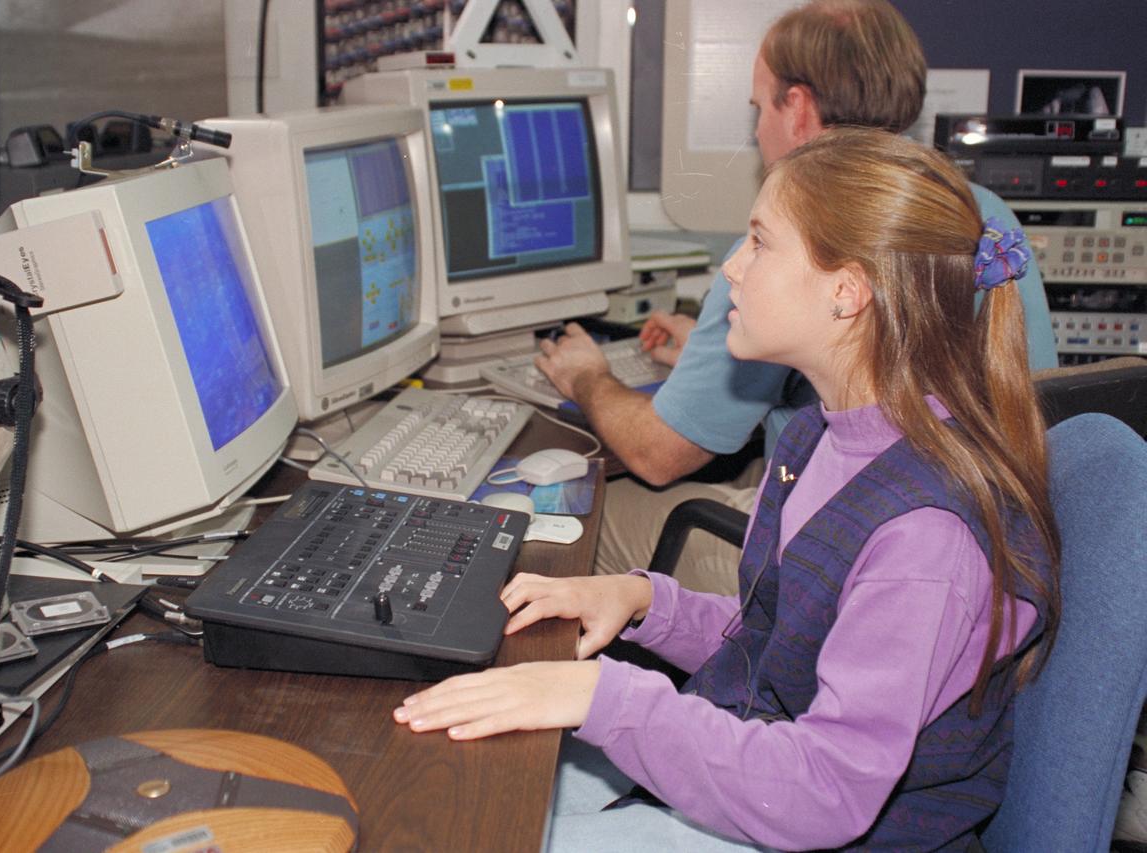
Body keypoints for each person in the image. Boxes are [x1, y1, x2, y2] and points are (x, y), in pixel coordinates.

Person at [393, 127, 1062, 851]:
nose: (731, 269)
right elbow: (782, 644)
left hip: (812, 814)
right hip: (768, 766)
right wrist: (646, 600)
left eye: (759, 242)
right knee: (468, 776)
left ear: (847, 292)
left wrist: (603, 694)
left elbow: (828, 790)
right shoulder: (819, 436)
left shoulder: (924, 537)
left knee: (478, 826)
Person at [536, 0, 1058, 597]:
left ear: (799, 107)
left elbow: (657, 454)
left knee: (571, 520)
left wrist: (588, 378)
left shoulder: (799, 248)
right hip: (981, 539)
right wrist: (714, 351)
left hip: (838, 557)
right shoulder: (980, 215)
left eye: (759, 107)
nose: (756, 128)